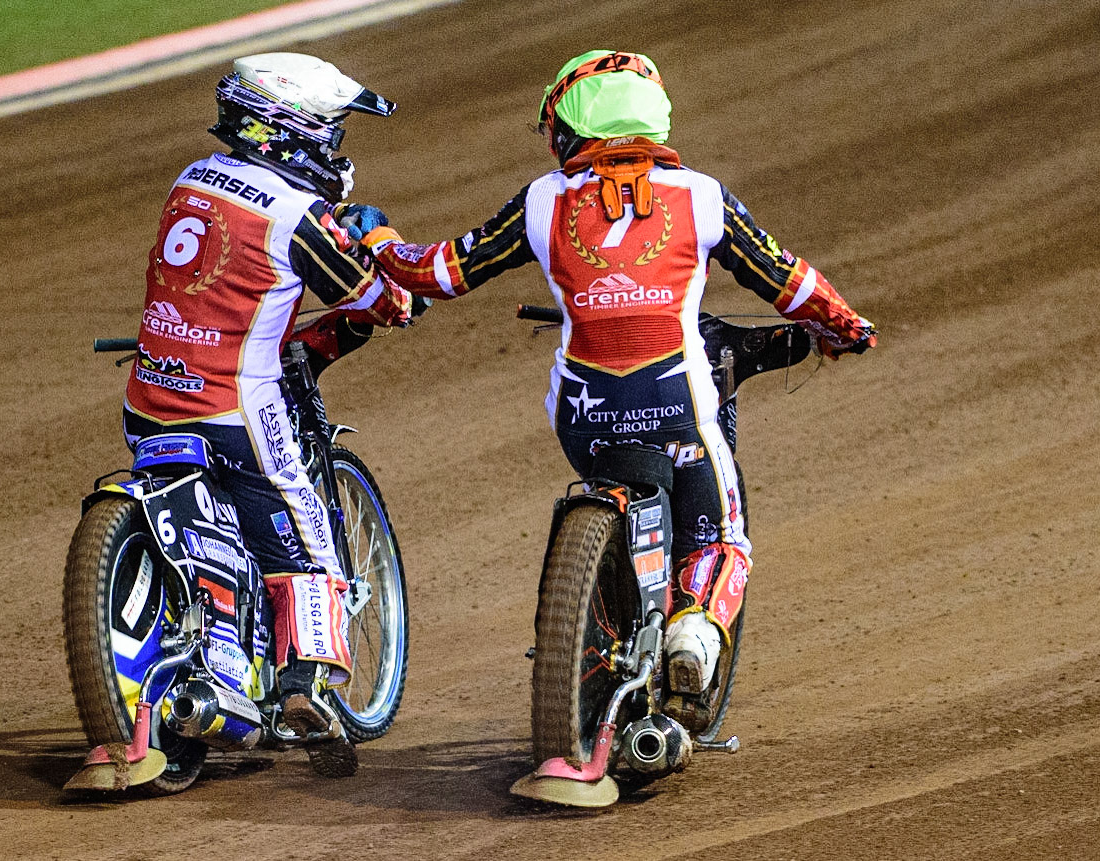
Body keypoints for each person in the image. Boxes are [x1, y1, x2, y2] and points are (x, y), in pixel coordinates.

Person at [343, 50, 876, 710]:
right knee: (722, 539)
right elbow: (788, 279)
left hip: (584, 415)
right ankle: (694, 633)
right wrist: (845, 326)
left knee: (597, 455)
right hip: (678, 402)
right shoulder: (701, 196)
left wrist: (377, 238)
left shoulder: (542, 200)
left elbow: (438, 274)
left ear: (567, 126)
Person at [123, 52, 414, 770]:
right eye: (329, 130)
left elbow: (225, 291)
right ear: (289, 131)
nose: (335, 146)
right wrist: (374, 239)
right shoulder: (297, 213)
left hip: (149, 395)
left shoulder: (188, 179)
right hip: (234, 405)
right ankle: (306, 681)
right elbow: (380, 301)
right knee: (308, 536)